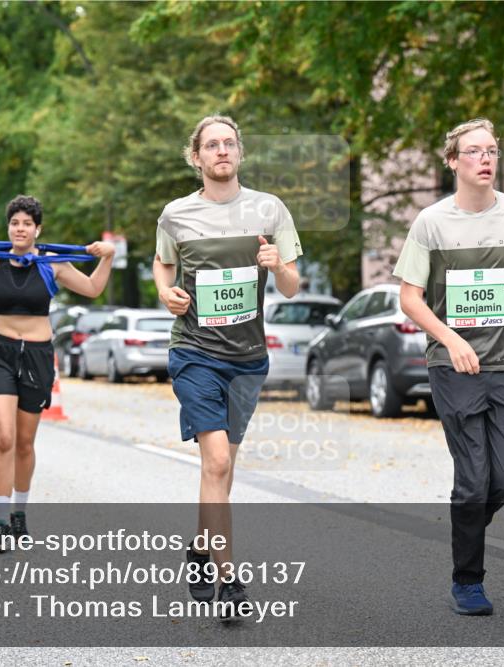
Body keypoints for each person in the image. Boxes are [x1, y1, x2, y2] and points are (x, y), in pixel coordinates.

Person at [394, 118, 504, 616]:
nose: (486, 159)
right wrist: (449, 339)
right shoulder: (431, 222)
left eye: (491, 151)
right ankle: (468, 580)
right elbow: (410, 298)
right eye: (474, 152)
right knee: (473, 477)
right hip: (452, 366)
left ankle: (465, 525)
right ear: (453, 162)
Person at [153, 115, 303, 621]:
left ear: (240, 153)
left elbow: (291, 286)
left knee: (226, 466)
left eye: (229, 144)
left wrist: (277, 265)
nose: (222, 151)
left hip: (247, 359)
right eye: (211, 145)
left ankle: (200, 550)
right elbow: (162, 262)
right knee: (215, 462)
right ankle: (228, 580)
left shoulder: (269, 209)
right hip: (195, 352)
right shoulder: (176, 213)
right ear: (196, 157)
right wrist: (164, 291)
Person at [0, 194, 115, 552]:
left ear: (38, 229)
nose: (20, 228)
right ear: (8, 227)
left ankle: (19, 516)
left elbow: (93, 287)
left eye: (27, 223)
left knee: (25, 443)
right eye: (15, 223)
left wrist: (108, 257)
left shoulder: (53, 263)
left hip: (38, 357)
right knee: (5, 437)